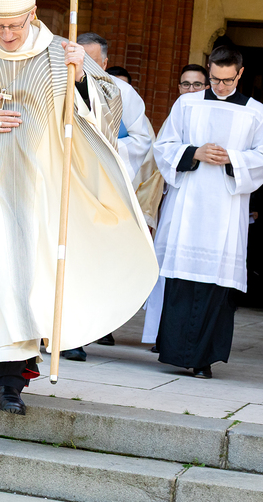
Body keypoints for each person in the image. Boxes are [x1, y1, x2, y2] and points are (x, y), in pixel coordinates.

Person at [0, 0, 158, 414]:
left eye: (14, 25)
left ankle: (9, 381)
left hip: (39, 188)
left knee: (24, 280)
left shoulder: (61, 54)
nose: (7, 34)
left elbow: (108, 110)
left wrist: (83, 76)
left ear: (33, 13)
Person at [152, 45, 263, 379]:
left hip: (226, 210)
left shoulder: (256, 113)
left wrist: (233, 158)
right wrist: (194, 152)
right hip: (188, 208)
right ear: (208, 70)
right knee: (182, 281)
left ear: (240, 74)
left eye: (227, 80)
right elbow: (163, 146)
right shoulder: (187, 104)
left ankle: (204, 360)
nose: (220, 86)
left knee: (215, 287)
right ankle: (175, 352)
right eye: (214, 79)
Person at [61, 33, 161, 362]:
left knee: (88, 261)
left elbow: (143, 140)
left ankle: (76, 334)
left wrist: (105, 150)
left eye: (91, 61)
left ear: (104, 63)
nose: (84, 65)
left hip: (100, 188)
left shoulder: (122, 93)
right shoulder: (56, 83)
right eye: (79, 57)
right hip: (62, 183)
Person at [141, 63, 211, 350]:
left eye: (197, 84)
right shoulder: (177, 112)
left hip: (208, 205)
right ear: (179, 87)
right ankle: (161, 334)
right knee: (166, 263)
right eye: (186, 84)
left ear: (207, 87)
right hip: (177, 197)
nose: (191, 90)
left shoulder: (216, 113)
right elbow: (162, 151)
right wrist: (193, 153)